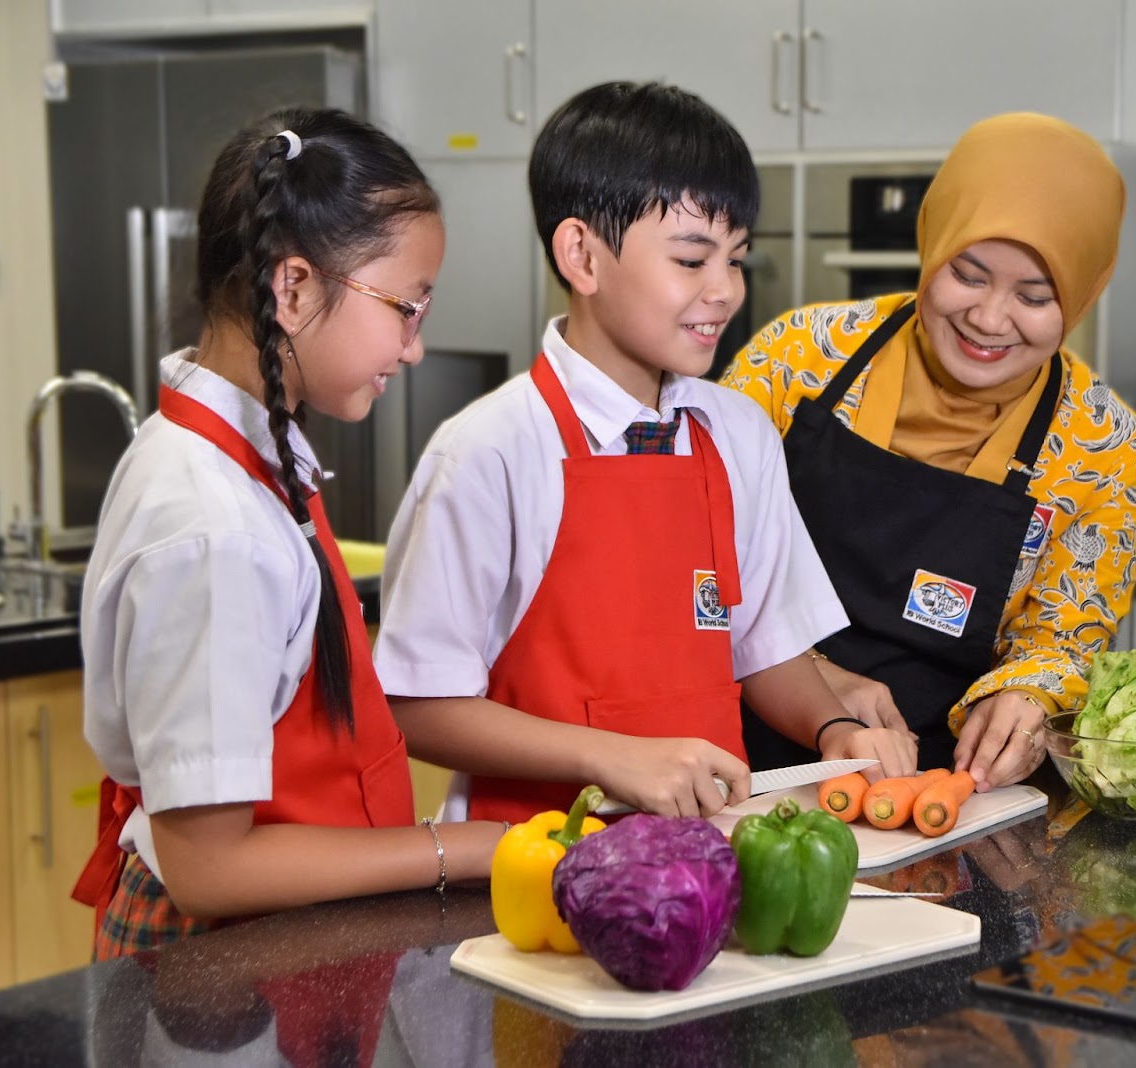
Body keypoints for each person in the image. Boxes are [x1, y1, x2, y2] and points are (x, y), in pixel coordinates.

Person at [374, 81, 917, 824]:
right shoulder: (489, 452)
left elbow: (764, 648)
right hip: (526, 874)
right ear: (582, 256)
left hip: (712, 857)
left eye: (737, 259)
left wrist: (837, 729)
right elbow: (416, 705)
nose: (724, 290)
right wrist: (611, 757)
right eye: (692, 260)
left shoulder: (739, 434)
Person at [72, 108, 506, 959]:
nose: (414, 348)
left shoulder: (242, 460)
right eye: (405, 308)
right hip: (213, 973)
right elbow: (209, 867)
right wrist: (462, 847)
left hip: (278, 950)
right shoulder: (210, 526)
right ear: (295, 288)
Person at [723, 112, 1136, 791]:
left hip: (935, 792)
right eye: (969, 274)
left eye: (1035, 296)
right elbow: (689, 548)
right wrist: (813, 677)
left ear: (1082, 296)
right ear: (932, 244)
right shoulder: (800, 359)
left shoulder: (1105, 449)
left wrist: (1030, 700)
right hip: (728, 763)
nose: (988, 318)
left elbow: (1062, 642)